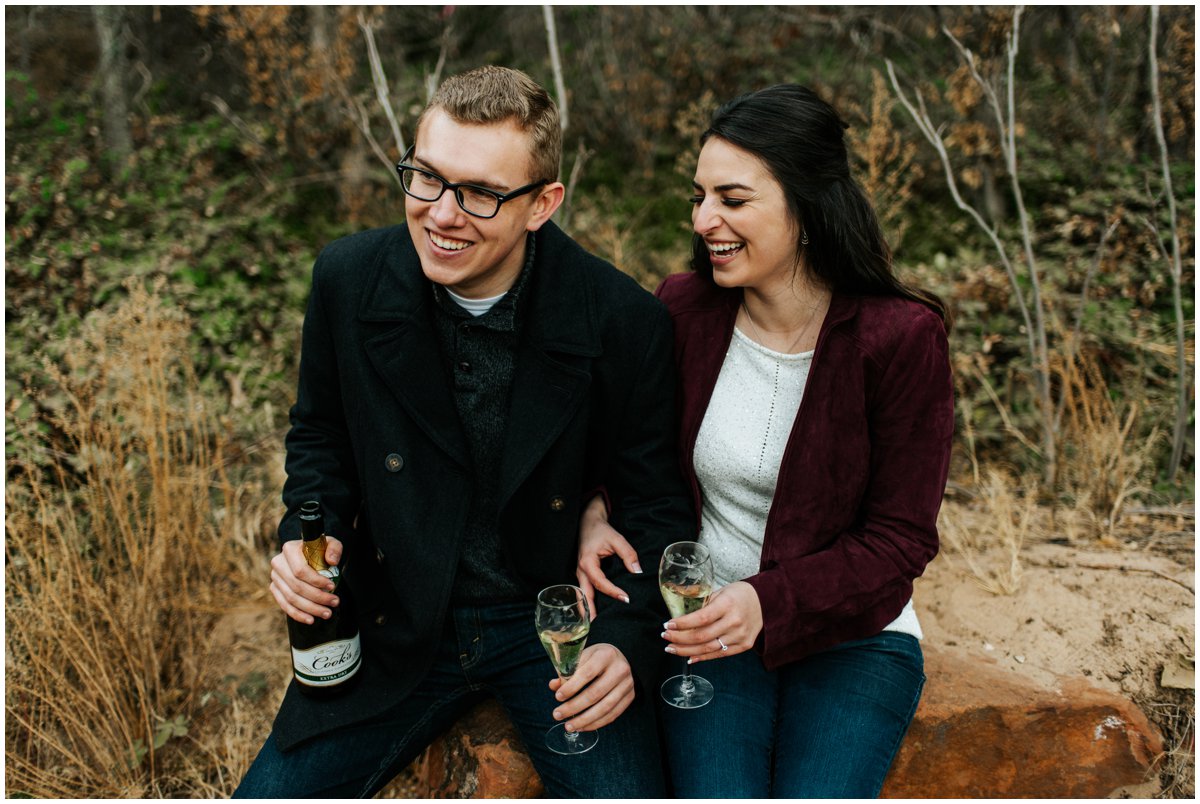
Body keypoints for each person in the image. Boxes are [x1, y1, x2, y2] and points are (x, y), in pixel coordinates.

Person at [235, 65, 693, 798]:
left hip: (553, 623)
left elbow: (657, 505)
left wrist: (625, 641)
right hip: (397, 616)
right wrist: (303, 536)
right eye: (425, 177)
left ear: (543, 204)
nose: (442, 213)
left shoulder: (620, 320)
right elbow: (320, 436)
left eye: (480, 193)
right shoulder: (348, 280)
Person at [576, 84, 954, 798]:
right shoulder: (684, 309)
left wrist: (769, 601)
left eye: (733, 198)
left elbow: (901, 539)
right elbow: (626, 446)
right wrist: (595, 508)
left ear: (806, 206)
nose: (704, 218)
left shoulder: (899, 337)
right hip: (705, 627)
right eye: (698, 196)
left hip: (855, 638)